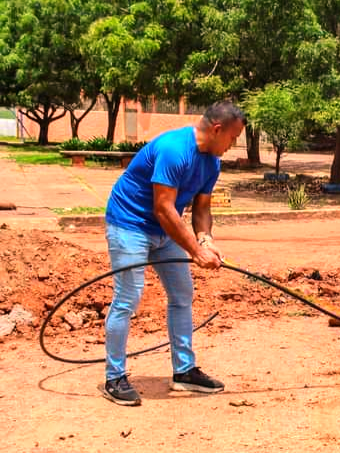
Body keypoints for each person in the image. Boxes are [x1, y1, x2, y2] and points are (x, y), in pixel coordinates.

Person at [102, 101, 246, 406]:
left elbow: (202, 208)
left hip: (164, 230)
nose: (233, 145)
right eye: (233, 138)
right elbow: (163, 208)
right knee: (128, 298)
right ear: (218, 130)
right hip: (130, 224)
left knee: (182, 294)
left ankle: (184, 372)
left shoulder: (212, 162)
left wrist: (204, 239)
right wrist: (194, 251)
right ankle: (114, 377)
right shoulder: (174, 149)